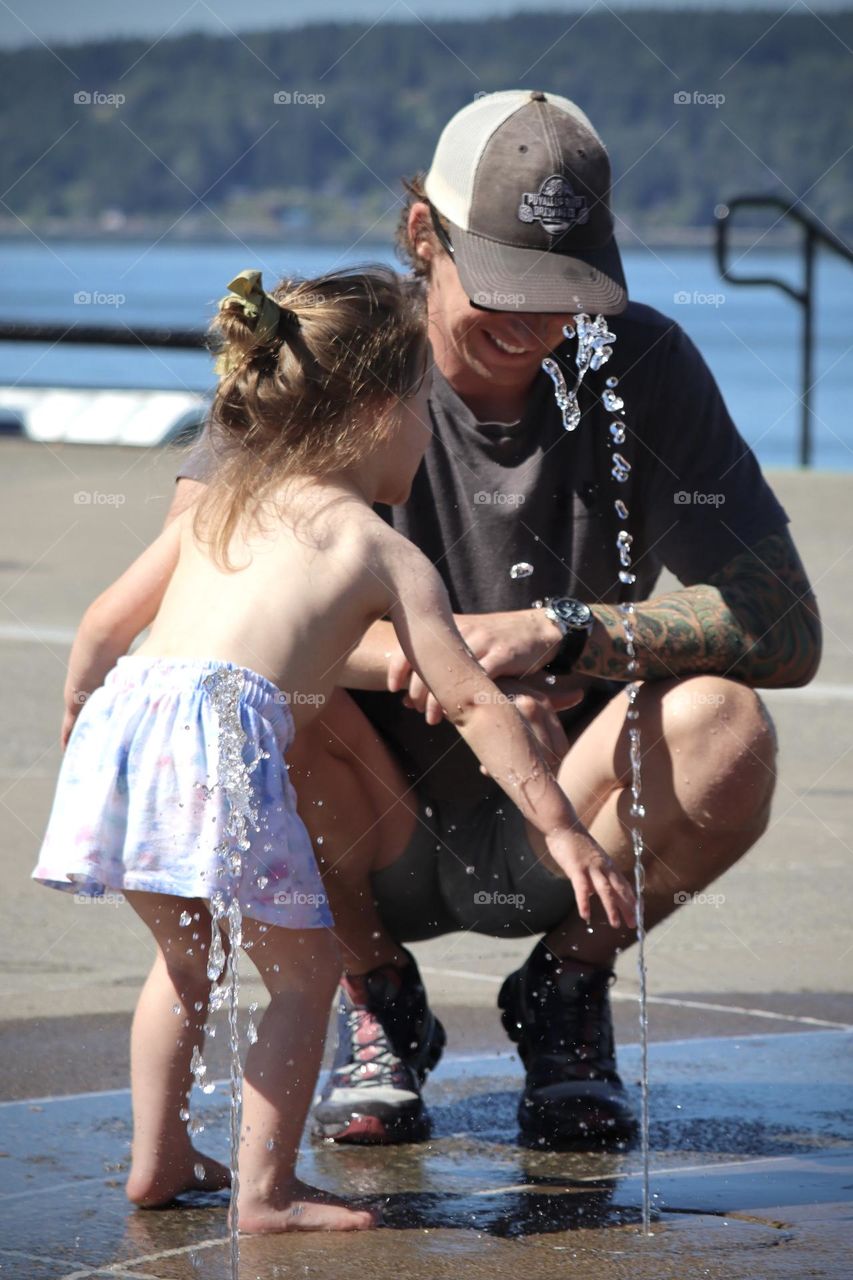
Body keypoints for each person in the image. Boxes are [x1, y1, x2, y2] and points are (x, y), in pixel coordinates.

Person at [170, 90, 822, 1149]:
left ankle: (564, 990)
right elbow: (195, 583)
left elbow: (785, 619)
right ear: (424, 232)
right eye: (508, 284)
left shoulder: (640, 363)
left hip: (571, 813)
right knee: (247, 701)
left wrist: (565, 629)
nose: (534, 324)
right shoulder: (335, 357)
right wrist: (435, 661)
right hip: (368, 811)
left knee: (726, 726)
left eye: (564, 292)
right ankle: (374, 989)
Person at [32, 264, 636, 1231]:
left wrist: (81, 718)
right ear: (367, 412)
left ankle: (157, 1159)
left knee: (184, 965)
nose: (425, 434)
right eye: (417, 413)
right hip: (221, 740)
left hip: (129, 726)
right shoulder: (377, 547)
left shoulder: (223, 506)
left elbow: (106, 623)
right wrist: (559, 826)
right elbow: (473, 701)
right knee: (305, 977)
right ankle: (267, 1195)